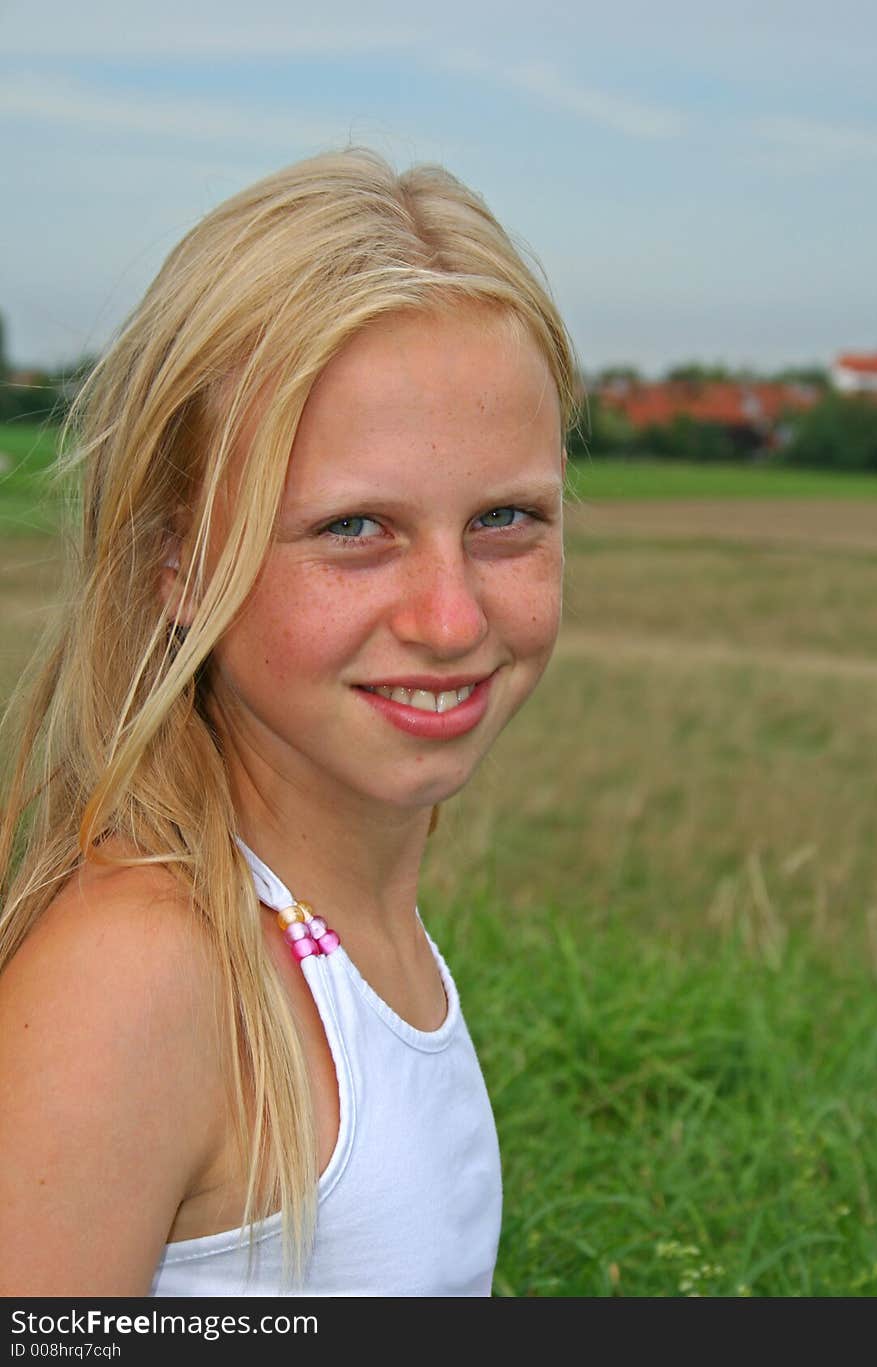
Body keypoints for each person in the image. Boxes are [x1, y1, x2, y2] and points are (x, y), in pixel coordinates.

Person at [0, 147, 576, 1297]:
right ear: (175, 556)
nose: (450, 617)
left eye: (505, 517)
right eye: (354, 528)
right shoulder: (141, 973)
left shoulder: (353, 912)